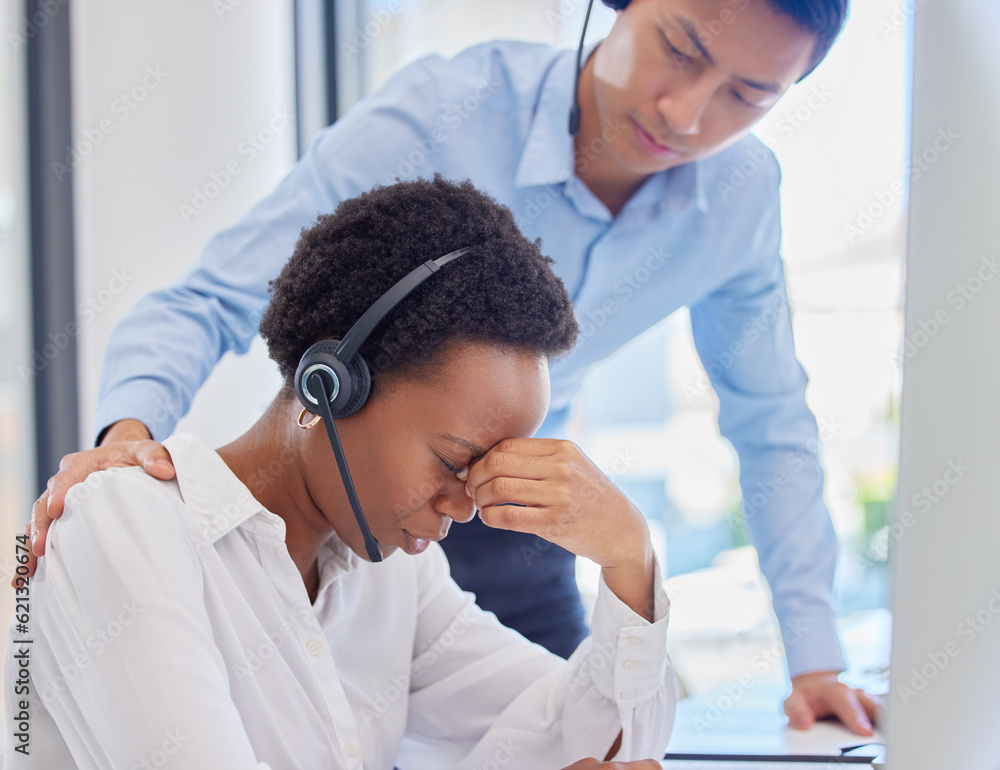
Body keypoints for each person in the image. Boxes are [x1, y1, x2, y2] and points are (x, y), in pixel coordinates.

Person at [26, 0, 880, 735]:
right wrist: (126, 444)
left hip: (514, 524)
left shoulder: (740, 196)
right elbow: (207, 298)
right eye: (682, 49)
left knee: (571, 728)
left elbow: (771, 423)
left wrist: (814, 660)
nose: (690, 114)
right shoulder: (442, 113)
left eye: (748, 95)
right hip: (369, 477)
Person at [5, 177, 676, 768]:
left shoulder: (392, 576)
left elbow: (591, 744)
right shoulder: (125, 525)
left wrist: (628, 557)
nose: (466, 506)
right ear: (330, 385)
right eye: (454, 461)